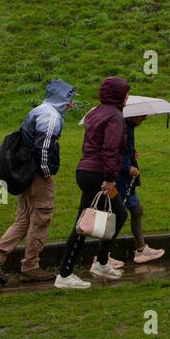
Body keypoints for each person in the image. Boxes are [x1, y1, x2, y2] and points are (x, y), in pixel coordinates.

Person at [0, 78, 75, 284]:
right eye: (69, 98)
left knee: (23, 218)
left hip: (24, 172)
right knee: (42, 217)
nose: (71, 104)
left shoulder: (40, 109)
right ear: (61, 98)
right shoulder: (51, 117)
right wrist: (46, 171)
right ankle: (31, 266)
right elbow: (43, 148)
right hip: (37, 176)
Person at [56, 76, 131, 288]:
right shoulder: (115, 117)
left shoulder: (95, 112)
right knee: (83, 225)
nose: (127, 98)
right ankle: (66, 273)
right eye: (125, 93)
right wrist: (109, 178)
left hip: (86, 171)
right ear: (118, 95)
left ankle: (101, 261)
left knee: (118, 213)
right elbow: (109, 149)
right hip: (98, 175)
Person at [119, 114, 166, 264]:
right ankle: (102, 257)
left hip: (124, 179)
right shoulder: (123, 128)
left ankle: (141, 249)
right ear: (133, 115)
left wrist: (132, 153)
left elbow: (123, 150)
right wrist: (127, 167)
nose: (145, 119)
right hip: (120, 179)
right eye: (143, 115)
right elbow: (114, 152)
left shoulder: (128, 127)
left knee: (136, 210)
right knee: (116, 216)